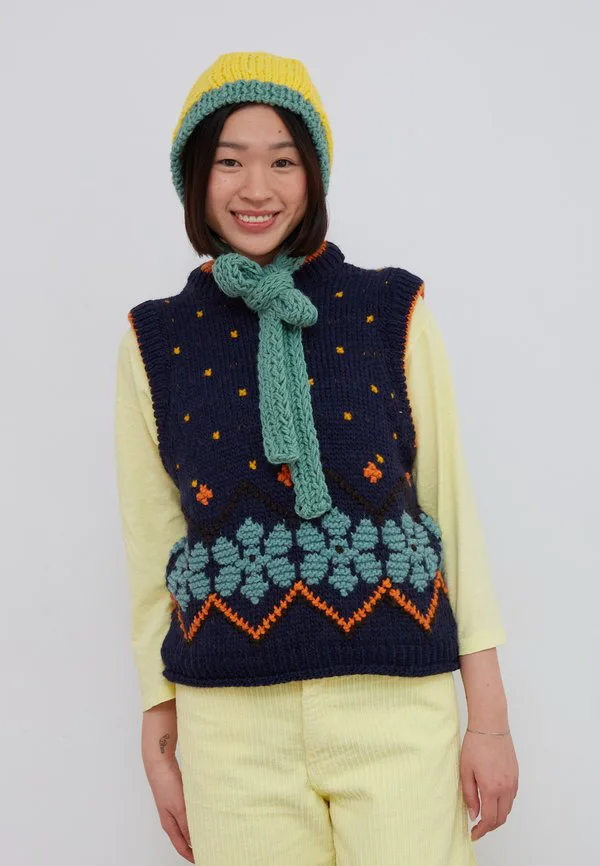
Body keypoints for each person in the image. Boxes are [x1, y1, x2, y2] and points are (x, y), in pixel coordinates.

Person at [114, 50, 518, 866]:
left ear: (314, 174)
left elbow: (451, 515)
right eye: (229, 161)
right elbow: (152, 553)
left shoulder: (390, 308)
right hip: (231, 730)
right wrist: (160, 739)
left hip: (394, 709)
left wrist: (491, 722)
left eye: (283, 161)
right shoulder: (154, 339)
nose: (256, 188)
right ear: (195, 176)